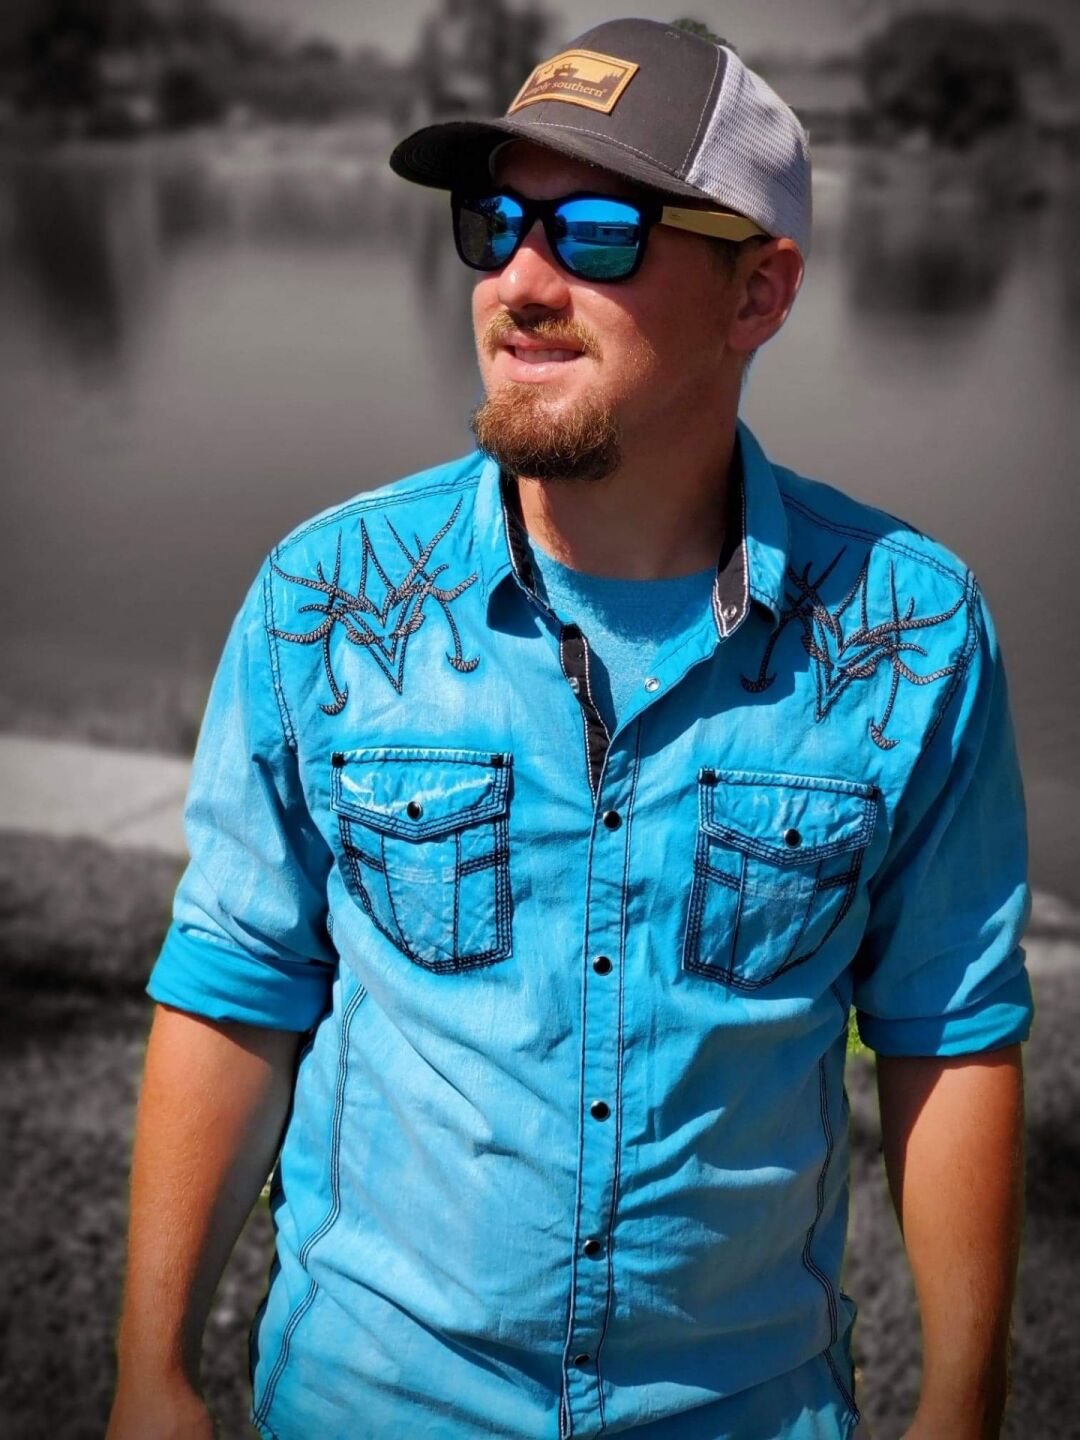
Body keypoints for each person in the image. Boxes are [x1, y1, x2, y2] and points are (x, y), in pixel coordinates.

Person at [107, 18, 1032, 1440]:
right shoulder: (328, 600)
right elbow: (239, 981)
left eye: (598, 233)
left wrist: (963, 1406)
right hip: (369, 1401)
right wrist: (151, 1368)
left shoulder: (908, 635)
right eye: (496, 225)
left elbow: (948, 1029)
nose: (520, 283)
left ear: (760, 291)